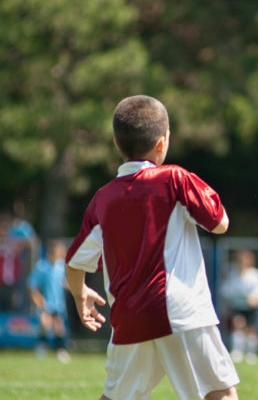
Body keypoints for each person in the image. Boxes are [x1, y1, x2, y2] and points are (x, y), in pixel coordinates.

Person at [65, 95, 239, 400]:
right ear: (162, 143)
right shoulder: (174, 179)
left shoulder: (102, 199)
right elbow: (220, 223)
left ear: (117, 144)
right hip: (181, 310)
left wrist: (80, 294)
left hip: (130, 317)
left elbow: (75, 262)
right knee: (219, 394)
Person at [220, 249, 258, 364]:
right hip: (238, 306)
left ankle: (251, 354)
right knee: (238, 325)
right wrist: (229, 300)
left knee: (251, 329)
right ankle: (237, 352)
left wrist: (256, 298)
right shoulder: (232, 274)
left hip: (251, 307)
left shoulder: (255, 275)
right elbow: (225, 290)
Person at [27, 238, 70, 363]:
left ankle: (61, 350)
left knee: (59, 327)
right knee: (45, 323)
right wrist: (37, 299)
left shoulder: (61, 267)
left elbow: (65, 283)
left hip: (58, 304)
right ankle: (41, 347)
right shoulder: (42, 266)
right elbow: (32, 285)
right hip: (45, 302)